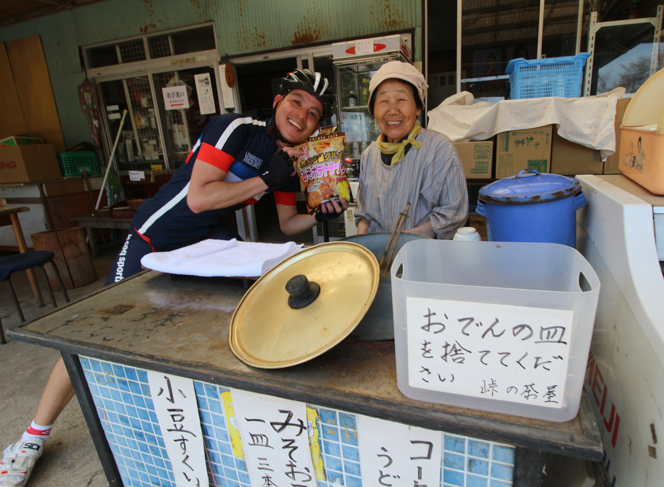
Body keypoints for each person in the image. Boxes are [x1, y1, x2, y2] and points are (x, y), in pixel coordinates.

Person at [0, 68, 345, 487]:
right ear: (277, 102)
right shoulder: (235, 128)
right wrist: (264, 179)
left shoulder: (290, 161)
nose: (302, 116)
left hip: (208, 246)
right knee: (95, 334)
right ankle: (32, 438)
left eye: (314, 112)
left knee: (208, 326)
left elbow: (289, 223)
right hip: (157, 237)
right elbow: (200, 197)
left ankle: (187, 421)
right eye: (296, 102)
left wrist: (321, 213)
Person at [355, 61, 468, 239]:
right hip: (379, 258)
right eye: (383, 101)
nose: (392, 110)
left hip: (424, 257)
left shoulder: (440, 149)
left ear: (418, 107)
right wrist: (362, 244)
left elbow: (452, 215)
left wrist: (398, 242)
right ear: (373, 109)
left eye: (401, 99)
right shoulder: (369, 155)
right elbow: (364, 216)